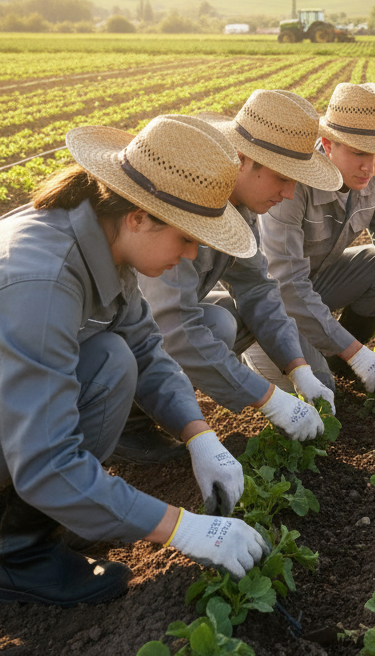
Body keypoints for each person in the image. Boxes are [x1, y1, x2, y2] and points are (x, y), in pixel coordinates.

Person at [0, 115, 269, 607]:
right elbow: (45, 460)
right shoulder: (44, 282)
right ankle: (17, 553)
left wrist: (198, 434)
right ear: (138, 216)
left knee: (114, 358)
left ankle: (61, 517)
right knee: (105, 366)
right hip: (21, 442)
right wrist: (180, 529)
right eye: (185, 238)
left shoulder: (102, 241)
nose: (190, 256)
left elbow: (147, 347)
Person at [119, 91, 343, 464]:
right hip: (113, 336)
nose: (288, 194)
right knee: (207, 326)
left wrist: (298, 367)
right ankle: (127, 427)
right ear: (241, 160)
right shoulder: (183, 200)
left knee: (222, 316)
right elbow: (173, 324)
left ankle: (150, 404)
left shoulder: (241, 208)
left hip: (141, 326)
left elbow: (257, 288)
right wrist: (267, 399)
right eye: (281, 178)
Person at [258, 82, 375, 394]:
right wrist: (358, 355)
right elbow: (286, 284)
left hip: (317, 280)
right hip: (268, 302)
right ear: (328, 143)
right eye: (359, 152)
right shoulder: (292, 182)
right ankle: (333, 355)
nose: (370, 165)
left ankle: (336, 357)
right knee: (319, 390)